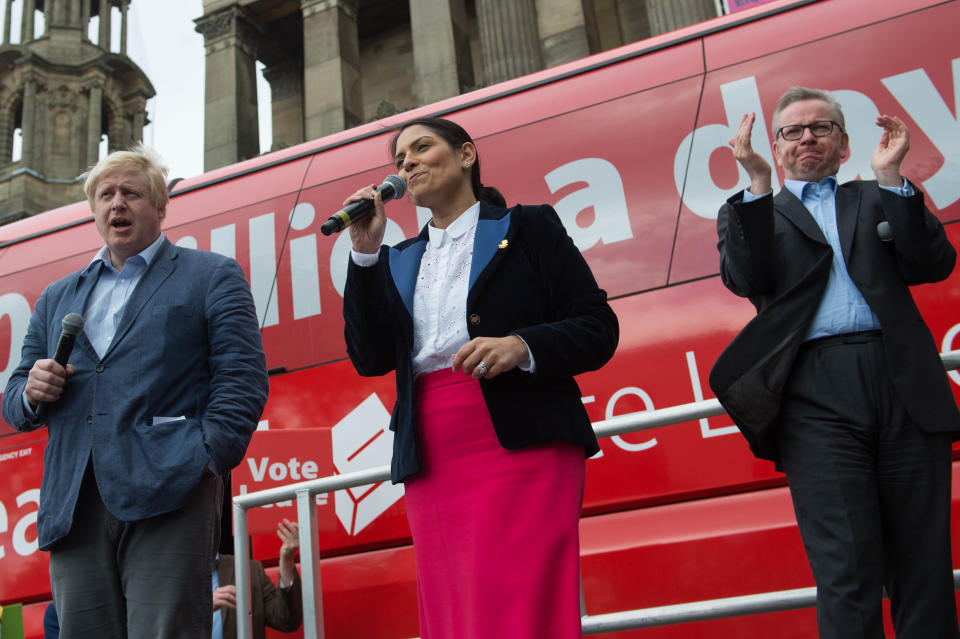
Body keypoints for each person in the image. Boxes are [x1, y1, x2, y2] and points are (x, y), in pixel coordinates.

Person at [341, 116, 618, 638]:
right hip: (433, 448)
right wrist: (364, 254)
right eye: (400, 159)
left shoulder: (529, 227)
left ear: (466, 155)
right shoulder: (397, 260)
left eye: (421, 148)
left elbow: (597, 327)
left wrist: (522, 346)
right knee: (456, 609)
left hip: (521, 438)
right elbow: (370, 357)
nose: (407, 164)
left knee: (524, 598)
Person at [709, 87, 960, 638]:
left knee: (925, 567)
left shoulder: (878, 196)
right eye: (793, 131)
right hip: (814, 395)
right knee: (847, 570)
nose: (807, 138)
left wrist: (892, 177)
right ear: (775, 149)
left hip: (903, 384)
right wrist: (755, 184)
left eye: (821, 128)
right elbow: (746, 280)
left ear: (844, 145)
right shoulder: (755, 212)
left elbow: (931, 263)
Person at [1, 145, 269, 638]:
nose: (117, 204)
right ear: (94, 210)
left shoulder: (211, 275)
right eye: (106, 195)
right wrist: (30, 391)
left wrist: (206, 456)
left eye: (131, 193)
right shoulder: (57, 296)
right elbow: (16, 397)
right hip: (75, 500)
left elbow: (243, 378)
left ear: (161, 206)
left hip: (171, 488)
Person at [212, 519, 302, 639]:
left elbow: (286, 620)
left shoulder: (248, 569)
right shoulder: (178, 575)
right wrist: (202, 607)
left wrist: (286, 559)